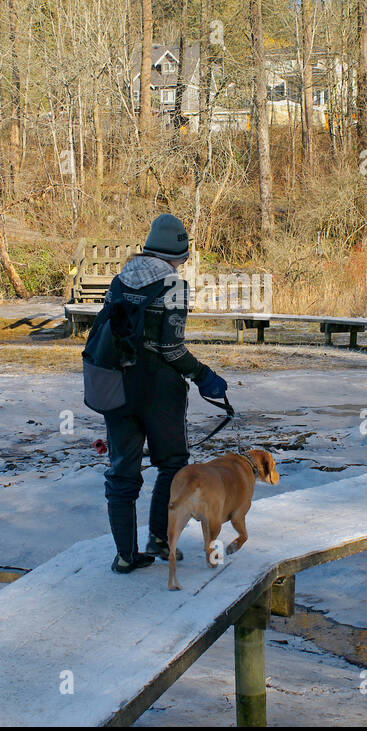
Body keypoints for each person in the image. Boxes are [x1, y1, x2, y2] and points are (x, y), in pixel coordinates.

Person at [88, 214, 227, 574]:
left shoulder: (121, 281)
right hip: (159, 391)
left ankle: (125, 555)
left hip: (117, 386)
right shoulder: (174, 286)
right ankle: (160, 540)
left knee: (121, 473)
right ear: (179, 253)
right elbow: (172, 349)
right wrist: (204, 376)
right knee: (172, 464)